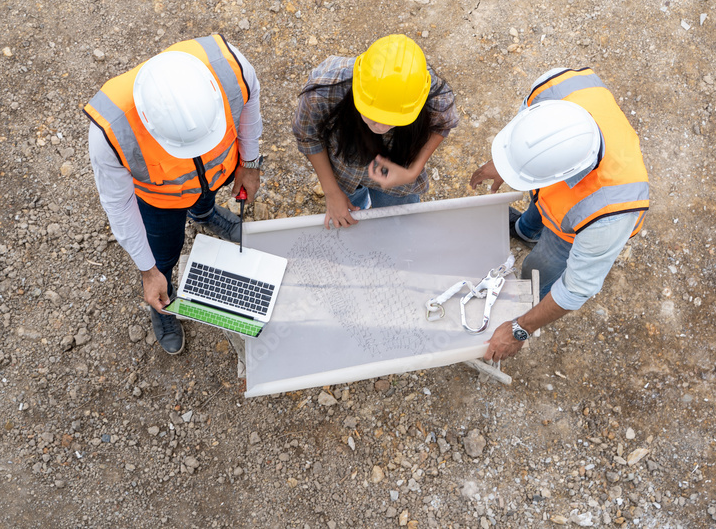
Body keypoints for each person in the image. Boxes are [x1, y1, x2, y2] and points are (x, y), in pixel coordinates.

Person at [84, 34, 263, 355]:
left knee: (206, 196)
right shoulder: (110, 130)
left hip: (216, 173)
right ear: (149, 123)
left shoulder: (231, 68)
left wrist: (250, 163)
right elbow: (120, 207)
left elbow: (250, 104)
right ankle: (163, 301)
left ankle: (204, 214)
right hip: (159, 201)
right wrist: (148, 271)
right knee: (163, 253)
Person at [469, 67, 650, 362]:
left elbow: (575, 290)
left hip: (574, 227)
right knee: (539, 209)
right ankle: (526, 231)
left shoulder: (608, 215)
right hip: (558, 197)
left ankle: (528, 299)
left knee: (540, 265)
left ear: (565, 175)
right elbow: (527, 128)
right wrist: (508, 161)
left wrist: (519, 328)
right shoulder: (558, 86)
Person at [293, 35, 458, 229]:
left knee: (397, 228)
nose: (380, 127)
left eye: (393, 121)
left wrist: (412, 172)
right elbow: (307, 136)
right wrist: (332, 193)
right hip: (343, 175)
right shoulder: (325, 86)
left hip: (397, 183)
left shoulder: (430, 93)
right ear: (357, 89)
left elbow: (444, 123)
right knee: (352, 218)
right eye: (373, 116)